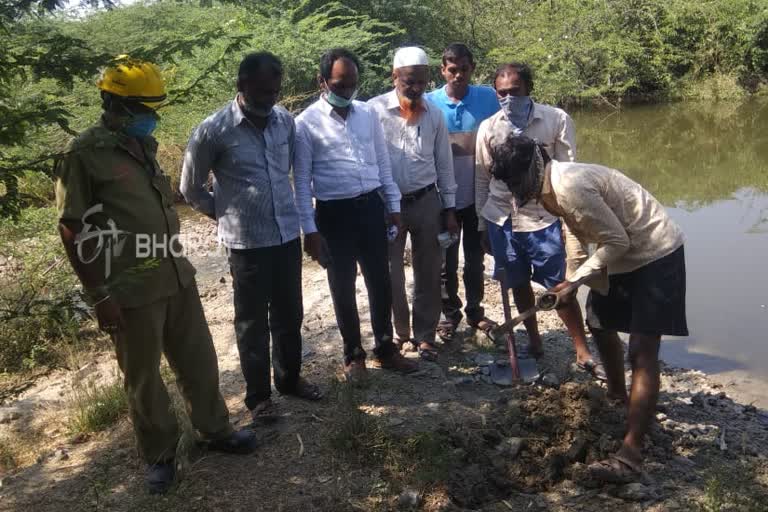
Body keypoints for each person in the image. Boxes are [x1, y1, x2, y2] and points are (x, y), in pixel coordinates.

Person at [54, 58, 257, 495]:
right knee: (144, 378)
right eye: (142, 108)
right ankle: (161, 455)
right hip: (128, 289)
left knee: (199, 361)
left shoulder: (140, 145)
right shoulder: (83, 155)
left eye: (153, 108)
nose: (151, 117)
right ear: (114, 104)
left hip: (175, 273)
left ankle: (214, 430)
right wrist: (98, 295)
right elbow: (71, 227)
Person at [487, 134, 688, 484]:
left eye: (517, 181)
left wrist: (577, 281)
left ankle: (632, 454)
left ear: (534, 165)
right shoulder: (549, 190)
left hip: (654, 251)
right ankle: (617, 398)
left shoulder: (569, 186)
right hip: (620, 254)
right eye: (509, 184)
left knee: (642, 351)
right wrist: (570, 280)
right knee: (599, 323)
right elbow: (579, 232)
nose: (515, 189)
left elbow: (617, 240)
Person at [181, 52, 320, 423]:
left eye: (274, 91)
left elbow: (289, 170)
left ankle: (290, 381)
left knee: (290, 315)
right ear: (242, 85)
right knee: (252, 323)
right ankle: (259, 398)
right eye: (262, 91)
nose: (269, 98)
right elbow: (190, 188)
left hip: (286, 236)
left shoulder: (284, 122)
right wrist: (224, 214)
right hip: (247, 246)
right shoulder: (213, 130)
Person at [294, 48, 418, 382]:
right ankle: (353, 355)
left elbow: (383, 165)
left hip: (371, 208)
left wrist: (393, 207)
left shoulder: (367, 115)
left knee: (381, 281)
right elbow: (302, 184)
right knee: (342, 286)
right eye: (339, 84)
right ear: (322, 82)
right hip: (334, 215)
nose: (347, 91)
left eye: (352, 83)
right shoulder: (305, 123)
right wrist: (310, 231)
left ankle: (385, 348)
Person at [476, 62, 603, 379]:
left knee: (558, 287)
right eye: (502, 93)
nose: (508, 99)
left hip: (543, 216)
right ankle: (533, 341)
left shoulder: (556, 120)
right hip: (502, 217)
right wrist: (482, 225)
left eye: (514, 92)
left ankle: (581, 349)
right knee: (516, 282)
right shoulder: (489, 128)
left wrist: (569, 221)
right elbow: (481, 179)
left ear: (528, 89)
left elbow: (570, 173)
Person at [368, 46, 458, 361]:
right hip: (385, 205)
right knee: (389, 271)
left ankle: (425, 336)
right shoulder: (373, 111)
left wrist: (449, 209)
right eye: (409, 81)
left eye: (421, 81)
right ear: (394, 76)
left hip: (426, 200)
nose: (416, 88)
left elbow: (444, 164)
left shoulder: (433, 113)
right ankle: (400, 333)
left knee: (430, 270)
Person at [426, 43, 500, 341]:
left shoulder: (488, 97)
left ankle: (475, 311)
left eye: (464, 69)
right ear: (443, 70)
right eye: (452, 69)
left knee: (474, 258)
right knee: (446, 261)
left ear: (472, 69)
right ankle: (449, 313)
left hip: (478, 196)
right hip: (443, 199)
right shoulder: (430, 103)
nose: (458, 75)